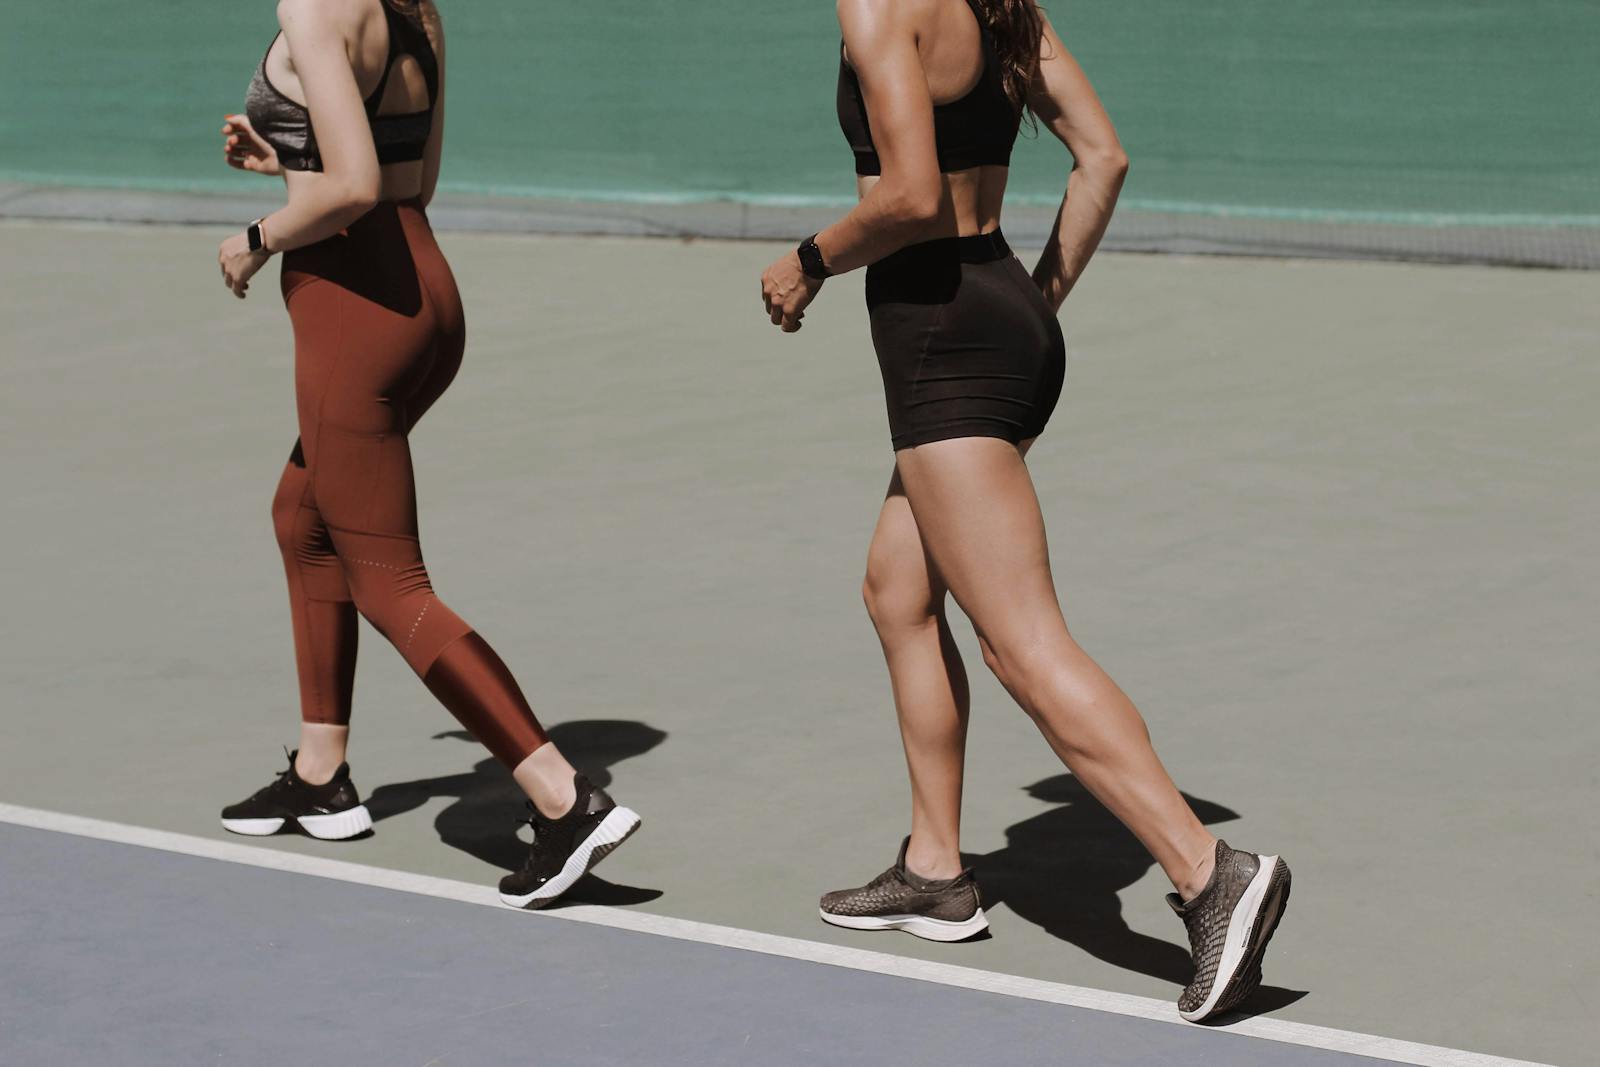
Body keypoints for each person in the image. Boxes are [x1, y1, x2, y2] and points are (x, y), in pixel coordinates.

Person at [759, 0, 1289, 1022]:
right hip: (1003, 312)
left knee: (1017, 641)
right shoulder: (997, 5)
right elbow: (1104, 158)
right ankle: (934, 868)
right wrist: (1030, 304)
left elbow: (910, 196)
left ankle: (1205, 868)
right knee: (896, 591)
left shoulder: (876, 5)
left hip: (938, 343)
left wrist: (808, 259)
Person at [214, 0, 639, 909]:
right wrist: (282, 158)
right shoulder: (417, 12)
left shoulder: (312, 6)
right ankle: (321, 770)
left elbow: (355, 187)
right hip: (423, 294)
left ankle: (564, 799)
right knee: (302, 518)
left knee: (390, 583)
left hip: (353, 312)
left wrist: (254, 239)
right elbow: (411, 177)